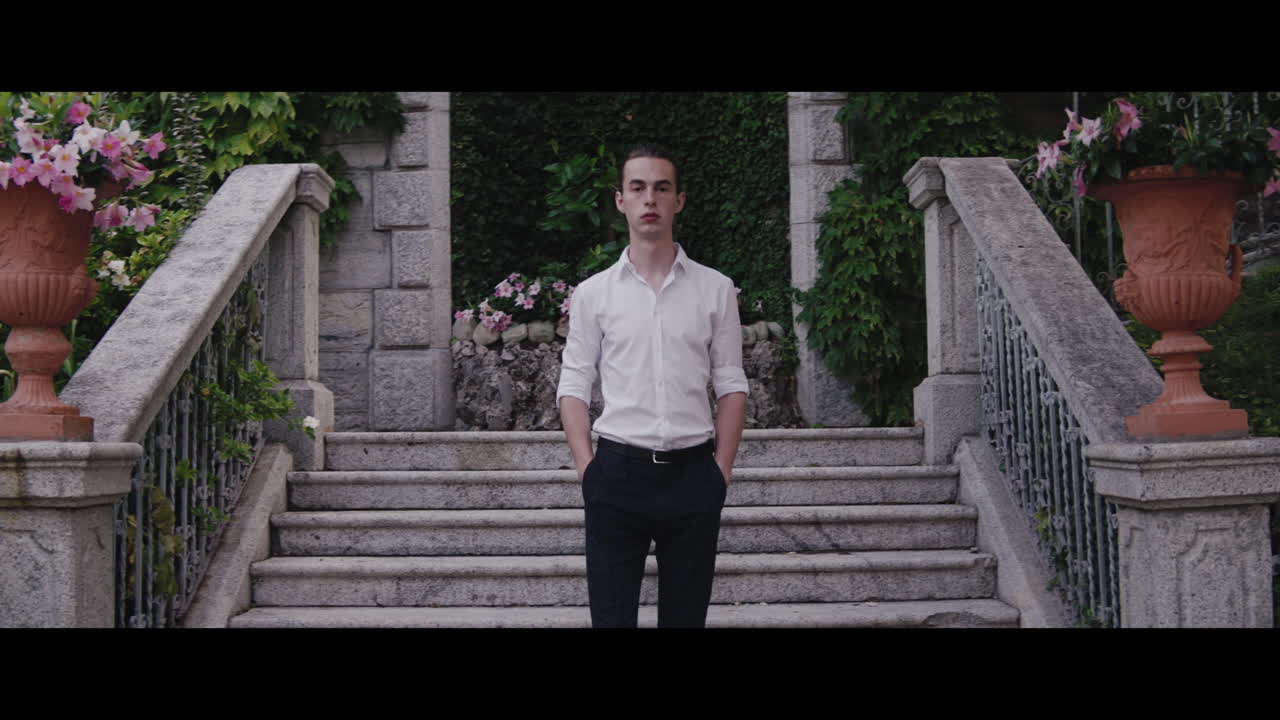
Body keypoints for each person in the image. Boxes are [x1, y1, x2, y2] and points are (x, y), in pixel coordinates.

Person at [556, 142, 749, 628]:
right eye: (637, 188)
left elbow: (731, 383)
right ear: (620, 200)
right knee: (612, 620)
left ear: (678, 201)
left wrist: (720, 472)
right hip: (617, 475)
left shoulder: (715, 288)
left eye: (661, 188)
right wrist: (587, 469)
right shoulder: (594, 293)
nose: (650, 199)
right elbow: (574, 382)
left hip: (693, 477)